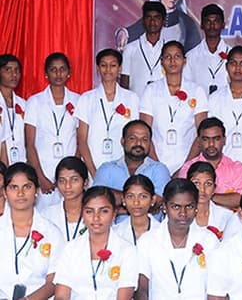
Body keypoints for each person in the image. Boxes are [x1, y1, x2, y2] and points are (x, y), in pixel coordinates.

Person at [137, 178, 219, 299]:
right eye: (176, 207)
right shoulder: (147, 241)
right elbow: (142, 289)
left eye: (189, 206)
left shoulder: (209, 240)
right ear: (164, 207)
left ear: (196, 207)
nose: (183, 213)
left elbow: (216, 287)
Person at [53, 186, 137, 299]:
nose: (96, 218)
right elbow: (61, 295)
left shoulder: (127, 251)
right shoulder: (71, 249)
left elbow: (123, 297)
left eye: (104, 211)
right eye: (89, 211)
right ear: (82, 214)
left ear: (114, 214)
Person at [140, 40, 208, 174]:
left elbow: (201, 134)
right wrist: (158, 167)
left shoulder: (196, 91)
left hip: (187, 162)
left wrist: (185, 168)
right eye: (167, 57)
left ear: (184, 60)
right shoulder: (151, 90)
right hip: (155, 162)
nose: (172, 61)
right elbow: (144, 133)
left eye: (177, 56)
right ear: (161, 61)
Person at [0, 163, 64, 300]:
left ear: (37, 191)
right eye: (14, 187)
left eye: (27, 187)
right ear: (4, 192)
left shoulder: (51, 233)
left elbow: (54, 281)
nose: (20, 193)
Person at [25, 52, 79, 207]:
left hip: (70, 172)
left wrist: (74, 171)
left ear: (69, 72)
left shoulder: (78, 100)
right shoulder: (34, 102)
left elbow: (80, 140)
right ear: (46, 74)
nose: (58, 74)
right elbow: (30, 144)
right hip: (44, 171)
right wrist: (40, 177)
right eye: (53, 70)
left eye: (62, 69)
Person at [76, 48, 140, 176]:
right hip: (94, 165)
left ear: (120, 68)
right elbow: (82, 140)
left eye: (113, 65)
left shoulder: (132, 98)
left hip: (123, 167)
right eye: (103, 65)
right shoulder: (86, 98)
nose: (108, 70)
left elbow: (135, 136)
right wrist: (93, 172)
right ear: (97, 68)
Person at [94, 120, 171, 214]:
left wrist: (115, 207)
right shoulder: (107, 169)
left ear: (150, 143)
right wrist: (142, 202)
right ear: (123, 141)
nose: (138, 143)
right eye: (132, 138)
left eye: (144, 139)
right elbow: (97, 199)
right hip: (114, 224)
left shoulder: (159, 169)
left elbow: (157, 203)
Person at [176, 117, 242, 209]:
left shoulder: (236, 168)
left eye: (216, 139)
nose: (211, 144)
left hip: (230, 218)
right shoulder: (188, 167)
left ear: (224, 140)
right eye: (206, 139)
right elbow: (184, 198)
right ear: (198, 141)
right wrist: (225, 199)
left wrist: (207, 196)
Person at [118, 0, 201, 53]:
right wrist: (123, 33)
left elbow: (196, 50)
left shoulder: (187, 22)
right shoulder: (150, 19)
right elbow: (131, 33)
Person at [120, 1, 167, 97]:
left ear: (163, 21)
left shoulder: (169, 50)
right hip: (137, 102)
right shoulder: (130, 48)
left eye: (157, 18)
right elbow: (124, 84)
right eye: (148, 17)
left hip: (163, 102)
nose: (152, 22)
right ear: (143, 21)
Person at [185, 3, 232, 95]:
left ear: (223, 25)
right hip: (199, 104)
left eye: (216, 21)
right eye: (208, 21)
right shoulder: (191, 56)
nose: (212, 26)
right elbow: (186, 87)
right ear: (202, 25)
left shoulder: (232, 55)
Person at [188, 161, 241, 240]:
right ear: (187, 186)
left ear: (214, 188)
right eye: (196, 183)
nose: (202, 189)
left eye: (208, 184)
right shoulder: (179, 215)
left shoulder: (226, 216)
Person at [42, 157, 89, 242]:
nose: (67, 186)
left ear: (85, 182)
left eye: (74, 180)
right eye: (62, 180)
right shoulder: (47, 215)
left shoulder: (95, 214)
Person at [112, 174, 161, 245]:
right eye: (130, 196)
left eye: (143, 196)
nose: (136, 202)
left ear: (153, 200)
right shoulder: (115, 233)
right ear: (123, 200)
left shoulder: (163, 232)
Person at [0, 54, 27, 165]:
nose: (14, 74)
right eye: (8, 70)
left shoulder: (23, 104)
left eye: (17, 70)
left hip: (20, 163)